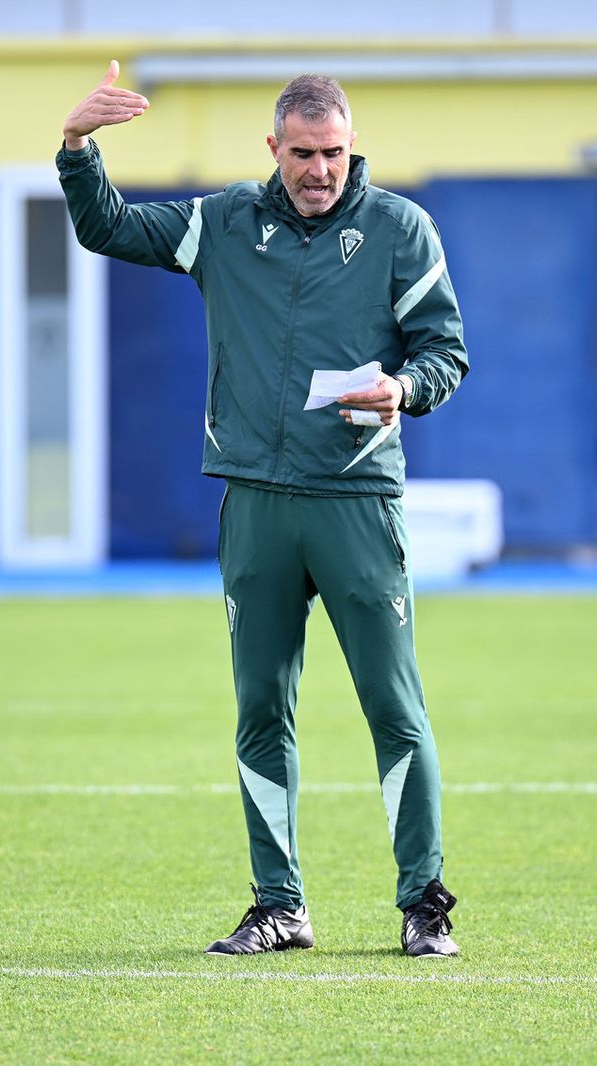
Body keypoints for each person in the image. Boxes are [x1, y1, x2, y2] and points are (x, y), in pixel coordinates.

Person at [57, 62, 469, 958]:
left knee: (393, 705)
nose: (319, 170)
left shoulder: (402, 229)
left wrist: (404, 386)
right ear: (272, 148)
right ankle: (280, 905)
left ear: (351, 146)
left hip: (357, 501)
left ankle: (423, 905)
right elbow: (106, 227)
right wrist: (78, 146)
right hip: (256, 501)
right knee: (259, 710)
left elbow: (446, 351)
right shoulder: (223, 223)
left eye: (333, 153)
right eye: (302, 153)